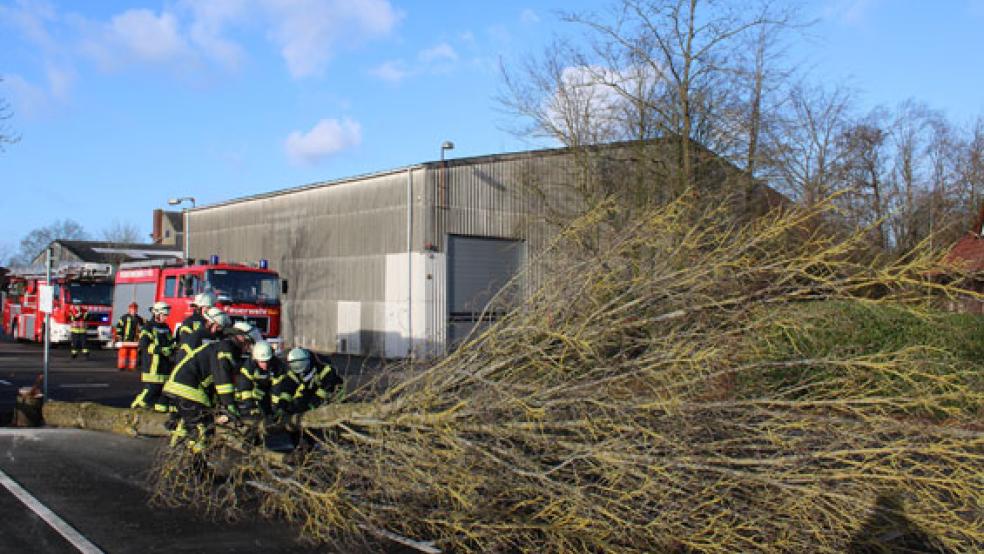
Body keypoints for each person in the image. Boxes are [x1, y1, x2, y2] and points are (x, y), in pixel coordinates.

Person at [162, 316, 254, 453]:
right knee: (203, 429)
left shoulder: (224, 347)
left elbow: (212, 383)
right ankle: (193, 464)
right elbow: (222, 380)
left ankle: (178, 453)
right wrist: (229, 404)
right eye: (249, 343)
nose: (249, 348)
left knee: (190, 425)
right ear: (241, 338)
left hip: (185, 389)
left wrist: (221, 406)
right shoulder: (226, 349)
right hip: (188, 390)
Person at [131, 302, 177, 412]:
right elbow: (144, 345)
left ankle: (159, 412)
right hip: (153, 365)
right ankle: (136, 407)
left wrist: (172, 347)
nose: (165, 318)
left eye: (166, 315)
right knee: (152, 389)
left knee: (162, 391)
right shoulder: (148, 327)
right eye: (163, 315)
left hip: (164, 365)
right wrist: (160, 350)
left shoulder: (165, 327)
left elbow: (170, 341)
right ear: (156, 313)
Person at [272, 347, 344, 417]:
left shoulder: (325, 369)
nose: (301, 371)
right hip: (312, 390)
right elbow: (287, 390)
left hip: (333, 396)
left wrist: (312, 405)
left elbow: (326, 389)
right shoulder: (295, 372)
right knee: (298, 404)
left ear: (308, 361)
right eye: (295, 367)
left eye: (302, 366)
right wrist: (282, 406)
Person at [236, 341, 287, 419]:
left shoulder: (278, 366)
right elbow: (245, 389)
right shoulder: (248, 367)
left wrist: (276, 408)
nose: (265, 365)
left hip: (269, 392)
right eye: (262, 362)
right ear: (255, 359)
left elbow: (277, 390)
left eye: (267, 361)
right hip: (254, 394)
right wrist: (251, 407)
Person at [114, 302, 144, 370]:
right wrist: (119, 335)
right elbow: (119, 327)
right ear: (129, 309)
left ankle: (132, 367)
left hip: (134, 340)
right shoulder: (124, 318)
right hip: (125, 339)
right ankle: (121, 366)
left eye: (135, 309)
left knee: (133, 354)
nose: (134, 310)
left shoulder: (139, 319)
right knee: (123, 353)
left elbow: (144, 327)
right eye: (132, 309)